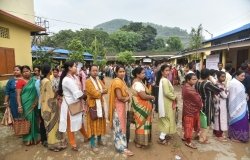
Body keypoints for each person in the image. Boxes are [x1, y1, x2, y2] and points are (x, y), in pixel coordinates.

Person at [58, 61, 88, 151]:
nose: (77, 68)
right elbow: (78, 93)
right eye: (75, 66)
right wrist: (87, 98)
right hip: (70, 106)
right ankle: (73, 144)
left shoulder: (74, 77)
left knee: (80, 122)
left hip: (76, 104)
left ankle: (86, 136)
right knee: (70, 124)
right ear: (70, 68)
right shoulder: (67, 80)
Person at [40, 64, 67, 151]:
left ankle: (51, 143)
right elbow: (51, 95)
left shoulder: (43, 80)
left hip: (44, 107)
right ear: (49, 71)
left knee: (48, 127)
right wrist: (58, 92)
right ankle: (54, 145)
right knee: (53, 127)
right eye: (51, 70)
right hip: (51, 107)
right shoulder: (47, 81)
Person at [109, 65, 134, 156]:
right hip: (118, 107)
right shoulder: (117, 82)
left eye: (123, 71)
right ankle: (122, 148)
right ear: (116, 73)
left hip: (121, 107)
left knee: (120, 126)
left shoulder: (121, 81)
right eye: (120, 71)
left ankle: (120, 145)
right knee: (120, 127)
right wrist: (128, 98)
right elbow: (120, 97)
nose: (122, 73)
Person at [85, 65, 108, 153]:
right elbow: (95, 94)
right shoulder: (88, 81)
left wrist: (100, 91)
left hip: (100, 104)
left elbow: (106, 90)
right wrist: (101, 91)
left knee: (100, 123)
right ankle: (92, 144)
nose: (95, 72)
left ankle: (99, 140)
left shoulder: (98, 80)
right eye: (93, 70)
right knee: (92, 124)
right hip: (92, 105)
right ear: (90, 71)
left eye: (96, 70)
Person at [195, 69, 221, 143]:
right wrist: (213, 80)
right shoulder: (207, 83)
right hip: (207, 104)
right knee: (207, 121)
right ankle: (203, 138)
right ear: (208, 76)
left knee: (201, 119)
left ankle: (199, 135)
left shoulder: (197, 82)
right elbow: (218, 90)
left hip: (199, 103)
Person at [16, 65, 40, 146]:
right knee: (28, 120)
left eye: (27, 71)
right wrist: (19, 106)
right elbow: (18, 95)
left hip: (34, 103)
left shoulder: (34, 80)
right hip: (25, 104)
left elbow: (37, 91)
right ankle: (28, 138)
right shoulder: (20, 81)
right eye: (24, 72)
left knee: (35, 120)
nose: (25, 73)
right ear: (22, 73)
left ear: (30, 71)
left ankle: (35, 137)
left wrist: (37, 101)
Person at [131, 67, 155, 148]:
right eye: (142, 73)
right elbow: (143, 96)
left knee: (140, 124)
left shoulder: (138, 81)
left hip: (141, 106)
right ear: (137, 74)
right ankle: (139, 142)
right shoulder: (138, 84)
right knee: (142, 125)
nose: (144, 74)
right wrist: (152, 97)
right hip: (142, 107)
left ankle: (139, 141)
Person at [156, 64, 177, 144]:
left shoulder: (163, 79)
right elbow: (167, 93)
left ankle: (164, 135)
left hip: (165, 102)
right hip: (167, 102)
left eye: (169, 70)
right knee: (168, 119)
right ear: (162, 72)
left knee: (166, 119)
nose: (168, 72)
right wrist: (175, 97)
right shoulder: (164, 80)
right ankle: (161, 137)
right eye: (166, 70)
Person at [182, 73, 203, 149]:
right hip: (191, 110)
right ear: (188, 80)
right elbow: (198, 99)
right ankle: (188, 142)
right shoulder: (189, 89)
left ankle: (185, 137)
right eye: (193, 79)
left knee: (188, 125)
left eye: (196, 79)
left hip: (188, 108)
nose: (195, 80)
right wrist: (201, 105)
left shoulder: (185, 86)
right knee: (189, 126)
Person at [228, 70, 249, 143]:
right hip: (238, 106)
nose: (243, 77)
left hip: (239, 105)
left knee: (240, 121)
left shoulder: (233, 82)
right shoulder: (236, 84)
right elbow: (236, 95)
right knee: (239, 122)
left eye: (244, 76)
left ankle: (235, 136)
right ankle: (234, 137)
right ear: (237, 75)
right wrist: (245, 97)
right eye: (241, 76)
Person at [213, 71, 228, 141]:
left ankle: (216, 132)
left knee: (218, 118)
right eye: (222, 76)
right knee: (219, 119)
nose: (224, 78)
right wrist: (227, 91)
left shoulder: (220, 84)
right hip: (219, 104)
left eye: (224, 76)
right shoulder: (218, 86)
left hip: (221, 103)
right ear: (218, 77)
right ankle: (219, 135)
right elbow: (225, 96)